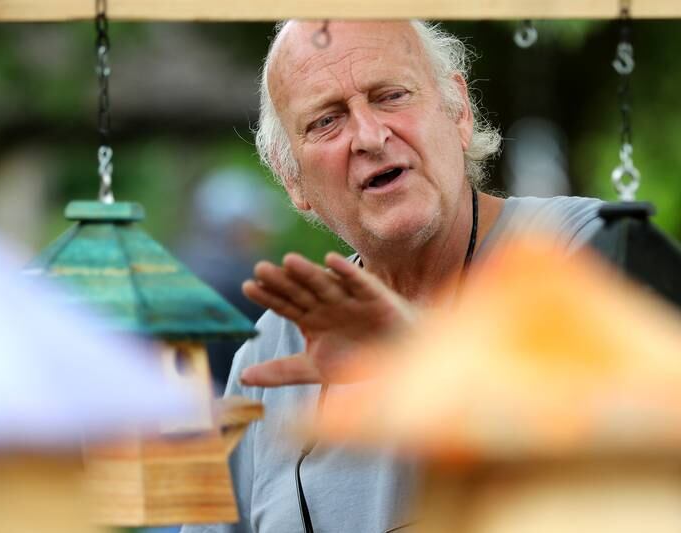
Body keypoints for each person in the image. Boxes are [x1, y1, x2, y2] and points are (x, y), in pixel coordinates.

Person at [182, 20, 602, 533]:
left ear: (459, 112)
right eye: (326, 121)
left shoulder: (586, 250)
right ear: (293, 179)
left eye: (391, 96)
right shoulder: (271, 353)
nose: (369, 136)